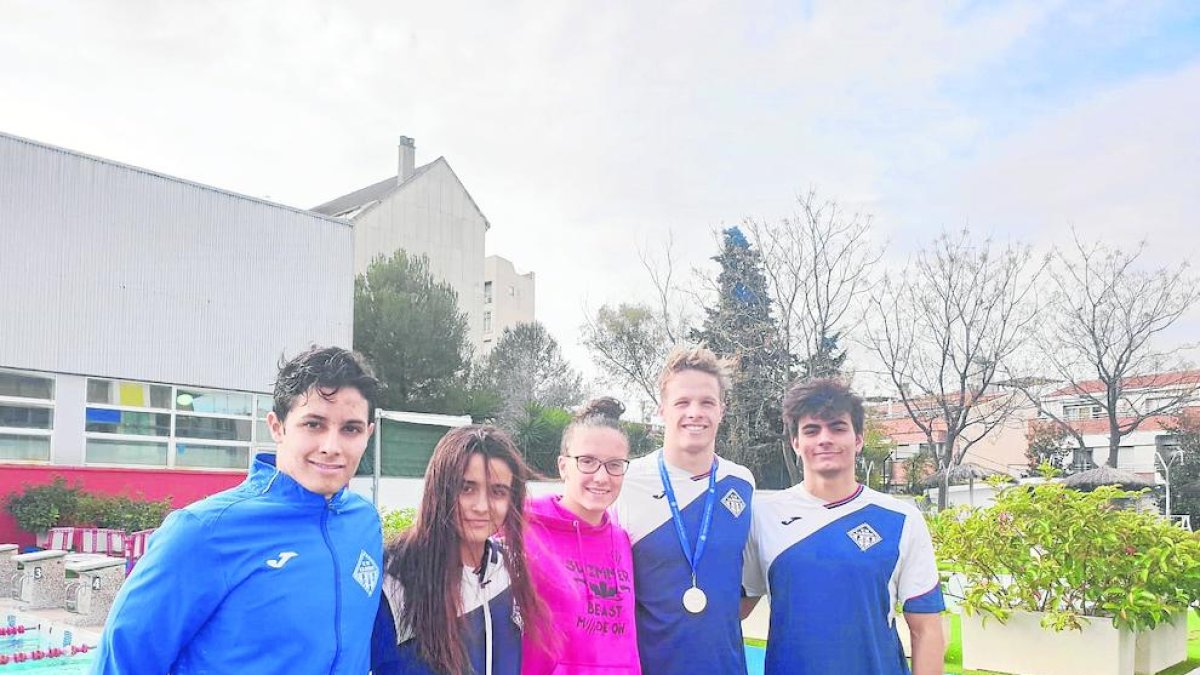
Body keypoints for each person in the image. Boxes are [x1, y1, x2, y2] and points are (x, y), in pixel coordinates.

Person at [93, 346, 383, 674]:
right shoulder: (204, 532)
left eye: (351, 429)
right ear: (277, 427)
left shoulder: (364, 523)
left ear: (367, 434)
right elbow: (122, 661)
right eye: (313, 424)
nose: (332, 446)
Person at [742, 378, 946, 675]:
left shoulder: (901, 519)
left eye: (837, 427)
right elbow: (733, 611)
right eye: (812, 430)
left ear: (858, 439)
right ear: (796, 443)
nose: (825, 438)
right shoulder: (762, 517)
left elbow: (926, 629)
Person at [613, 345, 756, 675]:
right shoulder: (626, 481)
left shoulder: (741, 483)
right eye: (682, 402)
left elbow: (747, 592)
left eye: (707, 402)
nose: (695, 412)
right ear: (662, 410)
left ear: (722, 409)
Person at [371, 425, 548, 675]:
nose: (481, 506)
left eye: (498, 492)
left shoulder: (512, 569)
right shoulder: (392, 578)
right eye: (466, 488)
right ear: (439, 489)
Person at [522, 397, 641, 675]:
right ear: (563, 466)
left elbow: (627, 642)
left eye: (614, 465)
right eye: (587, 461)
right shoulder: (523, 524)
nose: (601, 477)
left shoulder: (622, 540)